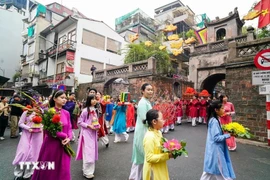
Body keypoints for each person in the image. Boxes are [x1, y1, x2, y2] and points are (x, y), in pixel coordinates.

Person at [32, 90, 72, 180]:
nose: (64, 100)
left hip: (65, 145)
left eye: (65, 98)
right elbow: (48, 131)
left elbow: (69, 128)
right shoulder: (48, 112)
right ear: (54, 99)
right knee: (50, 171)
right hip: (52, 145)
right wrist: (64, 136)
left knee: (64, 169)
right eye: (62, 98)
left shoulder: (67, 113)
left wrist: (69, 138)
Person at [200, 100, 235, 180]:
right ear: (216, 110)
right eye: (222, 108)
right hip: (216, 151)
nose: (224, 110)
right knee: (222, 173)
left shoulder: (214, 119)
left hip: (213, 150)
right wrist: (229, 135)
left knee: (208, 172)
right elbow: (216, 138)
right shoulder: (215, 121)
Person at [129, 83, 153, 180]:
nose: (150, 91)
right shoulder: (143, 103)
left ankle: (136, 177)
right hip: (143, 131)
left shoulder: (146, 101)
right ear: (142, 91)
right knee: (140, 155)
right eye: (148, 89)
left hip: (145, 130)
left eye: (151, 89)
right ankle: (135, 177)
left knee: (142, 156)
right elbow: (145, 120)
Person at [12, 105, 43, 179]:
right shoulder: (27, 112)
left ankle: (28, 174)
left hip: (37, 135)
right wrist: (28, 128)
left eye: (39, 104)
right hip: (26, 134)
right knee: (23, 152)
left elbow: (44, 123)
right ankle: (18, 174)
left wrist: (41, 128)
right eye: (36, 105)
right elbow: (20, 123)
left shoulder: (41, 113)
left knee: (33, 154)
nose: (37, 106)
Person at [143, 109, 173, 180]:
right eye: (161, 119)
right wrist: (167, 156)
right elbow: (149, 158)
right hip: (153, 171)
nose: (163, 120)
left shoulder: (158, 132)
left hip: (160, 166)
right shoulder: (149, 137)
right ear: (154, 121)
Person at [76, 95, 99, 179]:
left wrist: (98, 126)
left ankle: (90, 170)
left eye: (95, 99)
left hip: (93, 133)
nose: (94, 101)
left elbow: (96, 121)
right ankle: (86, 171)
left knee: (92, 151)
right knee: (87, 151)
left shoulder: (95, 110)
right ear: (89, 100)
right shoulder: (85, 111)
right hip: (86, 133)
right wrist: (88, 126)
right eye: (92, 99)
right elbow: (79, 122)